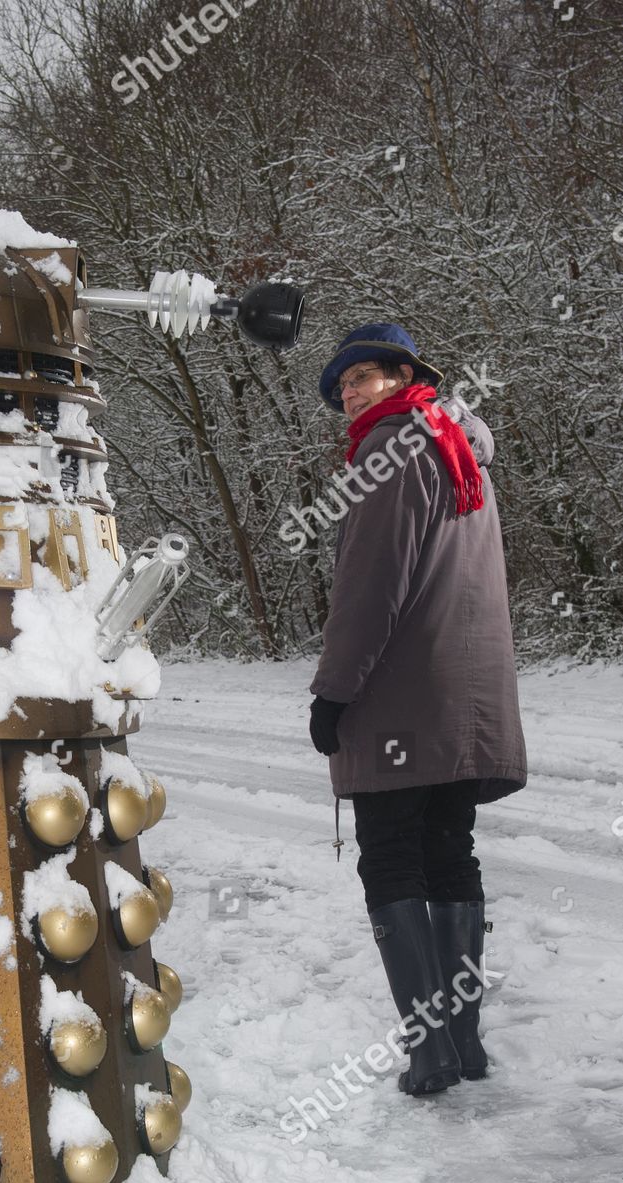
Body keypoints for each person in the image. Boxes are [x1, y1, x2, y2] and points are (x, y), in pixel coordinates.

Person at [308, 322, 527, 1097]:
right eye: (341, 388)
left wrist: (333, 690)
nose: (351, 395)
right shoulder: (456, 444)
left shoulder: (390, 452)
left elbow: (371, 590)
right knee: (446, 854)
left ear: (404, 374)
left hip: (403, 695)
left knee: (393, 858)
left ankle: (430, 1049)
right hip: (466, 696)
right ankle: (462, 1047)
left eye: (362, 377)